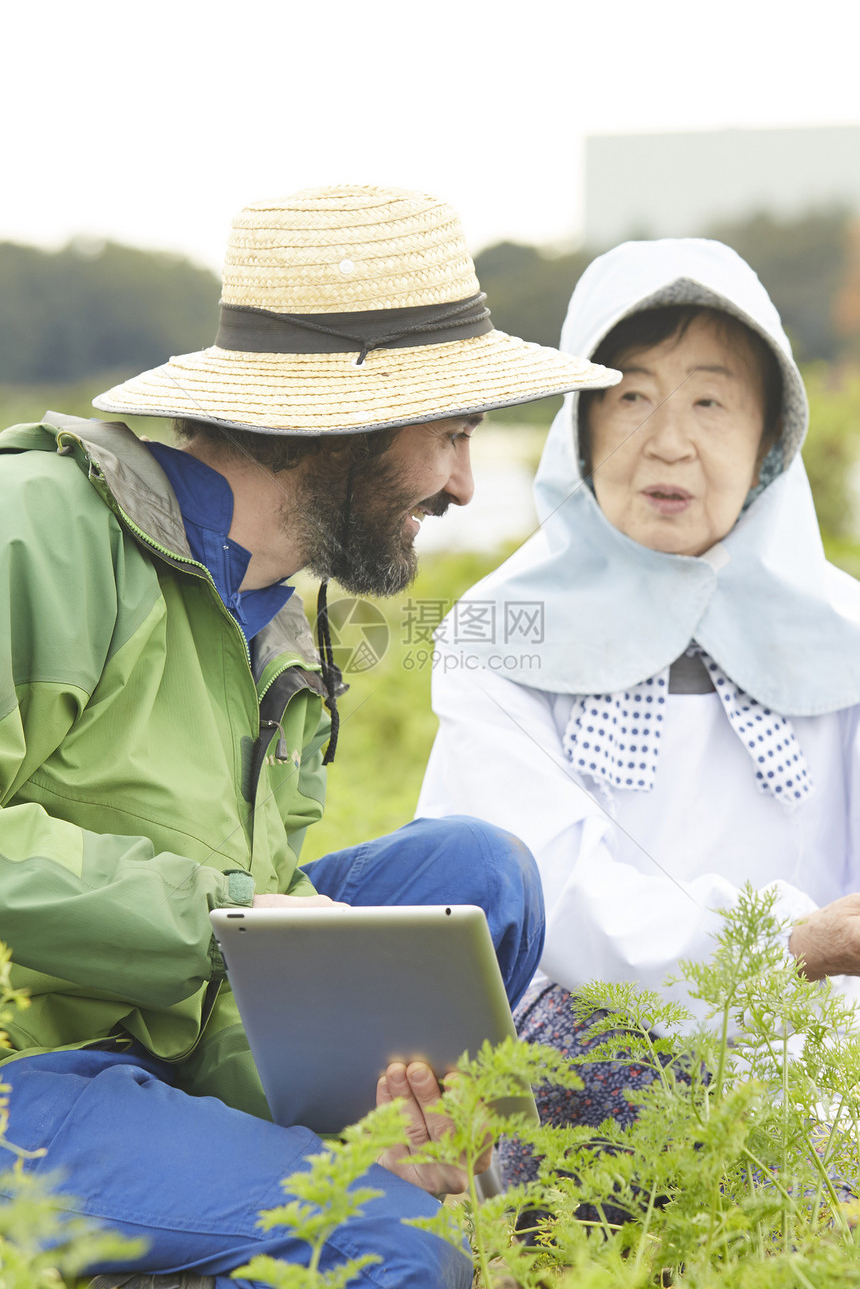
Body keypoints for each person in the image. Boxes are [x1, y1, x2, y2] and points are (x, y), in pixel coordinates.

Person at [0, 185, 618, 1288]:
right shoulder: (38, 530)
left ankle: (350, 1167)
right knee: (397, 1240)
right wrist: (222, 917)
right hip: (29, 1067)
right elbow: (207, 924)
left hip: (156, 1048)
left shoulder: (277, 623)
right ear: (344, 421)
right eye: (452, 434)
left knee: (476, 871)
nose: (465, 485)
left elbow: (218, 975)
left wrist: (372, 1097)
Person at [417, 237, 860, 1187]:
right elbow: (551, 901)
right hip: (590, 1040)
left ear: (770, 437)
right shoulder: (501, 630)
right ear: (578, 427)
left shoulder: (846, 632)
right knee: (621, 1085)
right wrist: (788, 946)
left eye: (709, 399)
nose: (669, 441)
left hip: (830, 1038)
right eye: (630, 396)